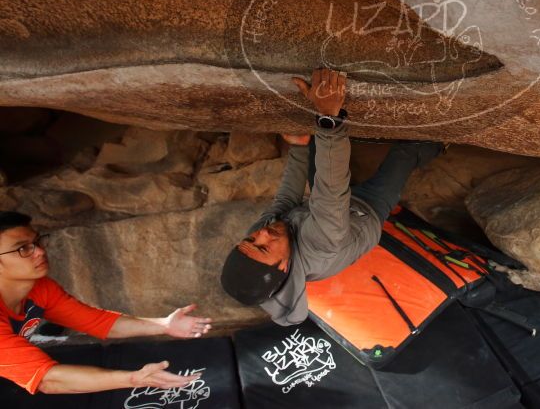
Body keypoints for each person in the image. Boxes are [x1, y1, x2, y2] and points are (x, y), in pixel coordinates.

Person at [221, 68, 443, 325]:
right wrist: (328, 116)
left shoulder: (261, 239)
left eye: (251, 238)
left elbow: (284, 203)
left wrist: (299, 147)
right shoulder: (321, 246)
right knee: (404, 154)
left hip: (317, 212)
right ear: (284, 267)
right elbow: (330, 189)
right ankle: (438, 143)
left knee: (317, 143)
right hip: (365, 213)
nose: (262, 233)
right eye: (263, 246)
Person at [0, 211, 213, 395]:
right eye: (23, 249)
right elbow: (48, 380)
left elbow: (96, 322)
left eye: (37, 242)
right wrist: (134, 379)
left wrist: (163, 325)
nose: (40, 251)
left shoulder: (41, 288)